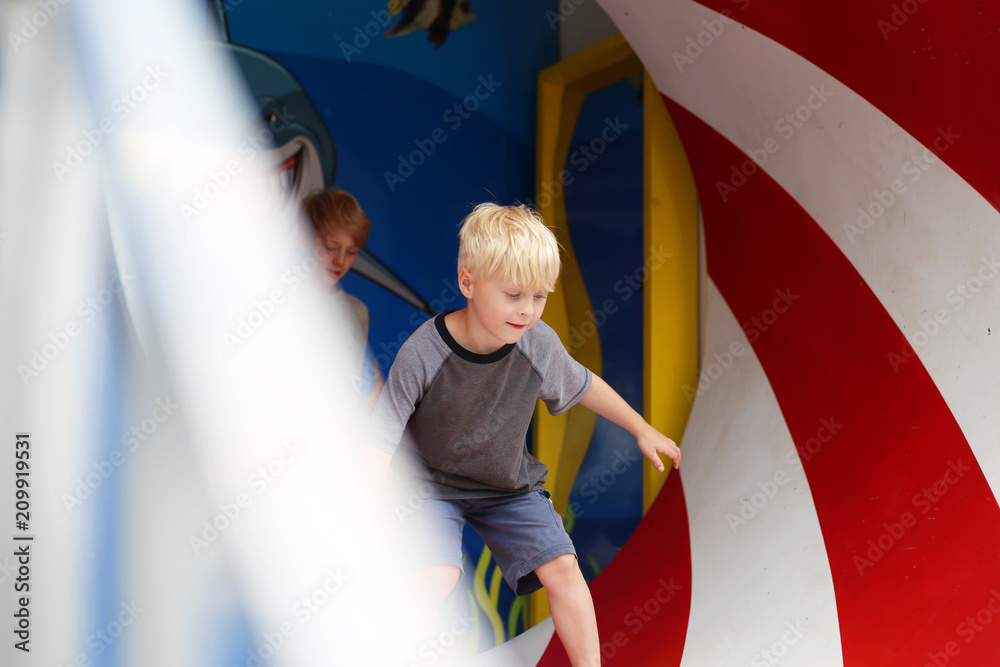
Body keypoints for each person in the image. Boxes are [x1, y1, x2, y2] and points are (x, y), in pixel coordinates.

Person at [368, 203, 680, 666]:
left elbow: (585, 383)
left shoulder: (537, 344)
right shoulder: (424, 352)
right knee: (437, 574)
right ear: (468, 282)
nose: (528, 311)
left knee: (564, 568)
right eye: (514, 294)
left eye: (540, 296)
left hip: (506, 487)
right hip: (429, 486)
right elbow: (379, 436)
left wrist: (641, 428)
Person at [302, 188, 381, 401]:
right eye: (330, 247)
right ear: (303, 238)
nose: (340, 261)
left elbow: (359, 389)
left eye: (351, 252)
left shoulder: (357, 311)